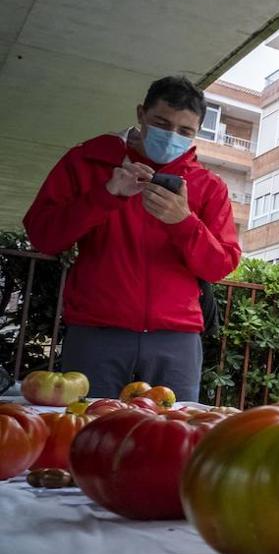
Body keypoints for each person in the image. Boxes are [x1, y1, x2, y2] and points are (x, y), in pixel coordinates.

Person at [23, 76, 242, 403]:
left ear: (197, 133)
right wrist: (106, 195)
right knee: (87, 439)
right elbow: (43, 235)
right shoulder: (87, 162)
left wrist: (183, 222)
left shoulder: (208, 186)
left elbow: (221, 265)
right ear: (141, 114)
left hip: (176, 338)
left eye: (185, 131)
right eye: (161, 123)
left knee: (170, 444)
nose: (172, 136)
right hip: (97, 331)